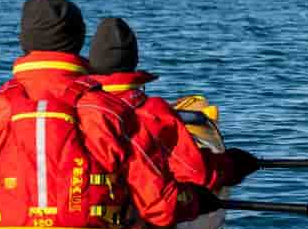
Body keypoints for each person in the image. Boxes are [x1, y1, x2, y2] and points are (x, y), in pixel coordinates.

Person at [0, 0, 218, 229]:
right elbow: (160, 208)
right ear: (79, 44)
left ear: (25, 43)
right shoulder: (110, 113)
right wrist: (195, 201)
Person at [85, 16, 262, 193]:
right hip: (138, 214)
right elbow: (197, 174)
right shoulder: (153, 113)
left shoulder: (74, 102)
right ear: (134, 61)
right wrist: (230, 165)